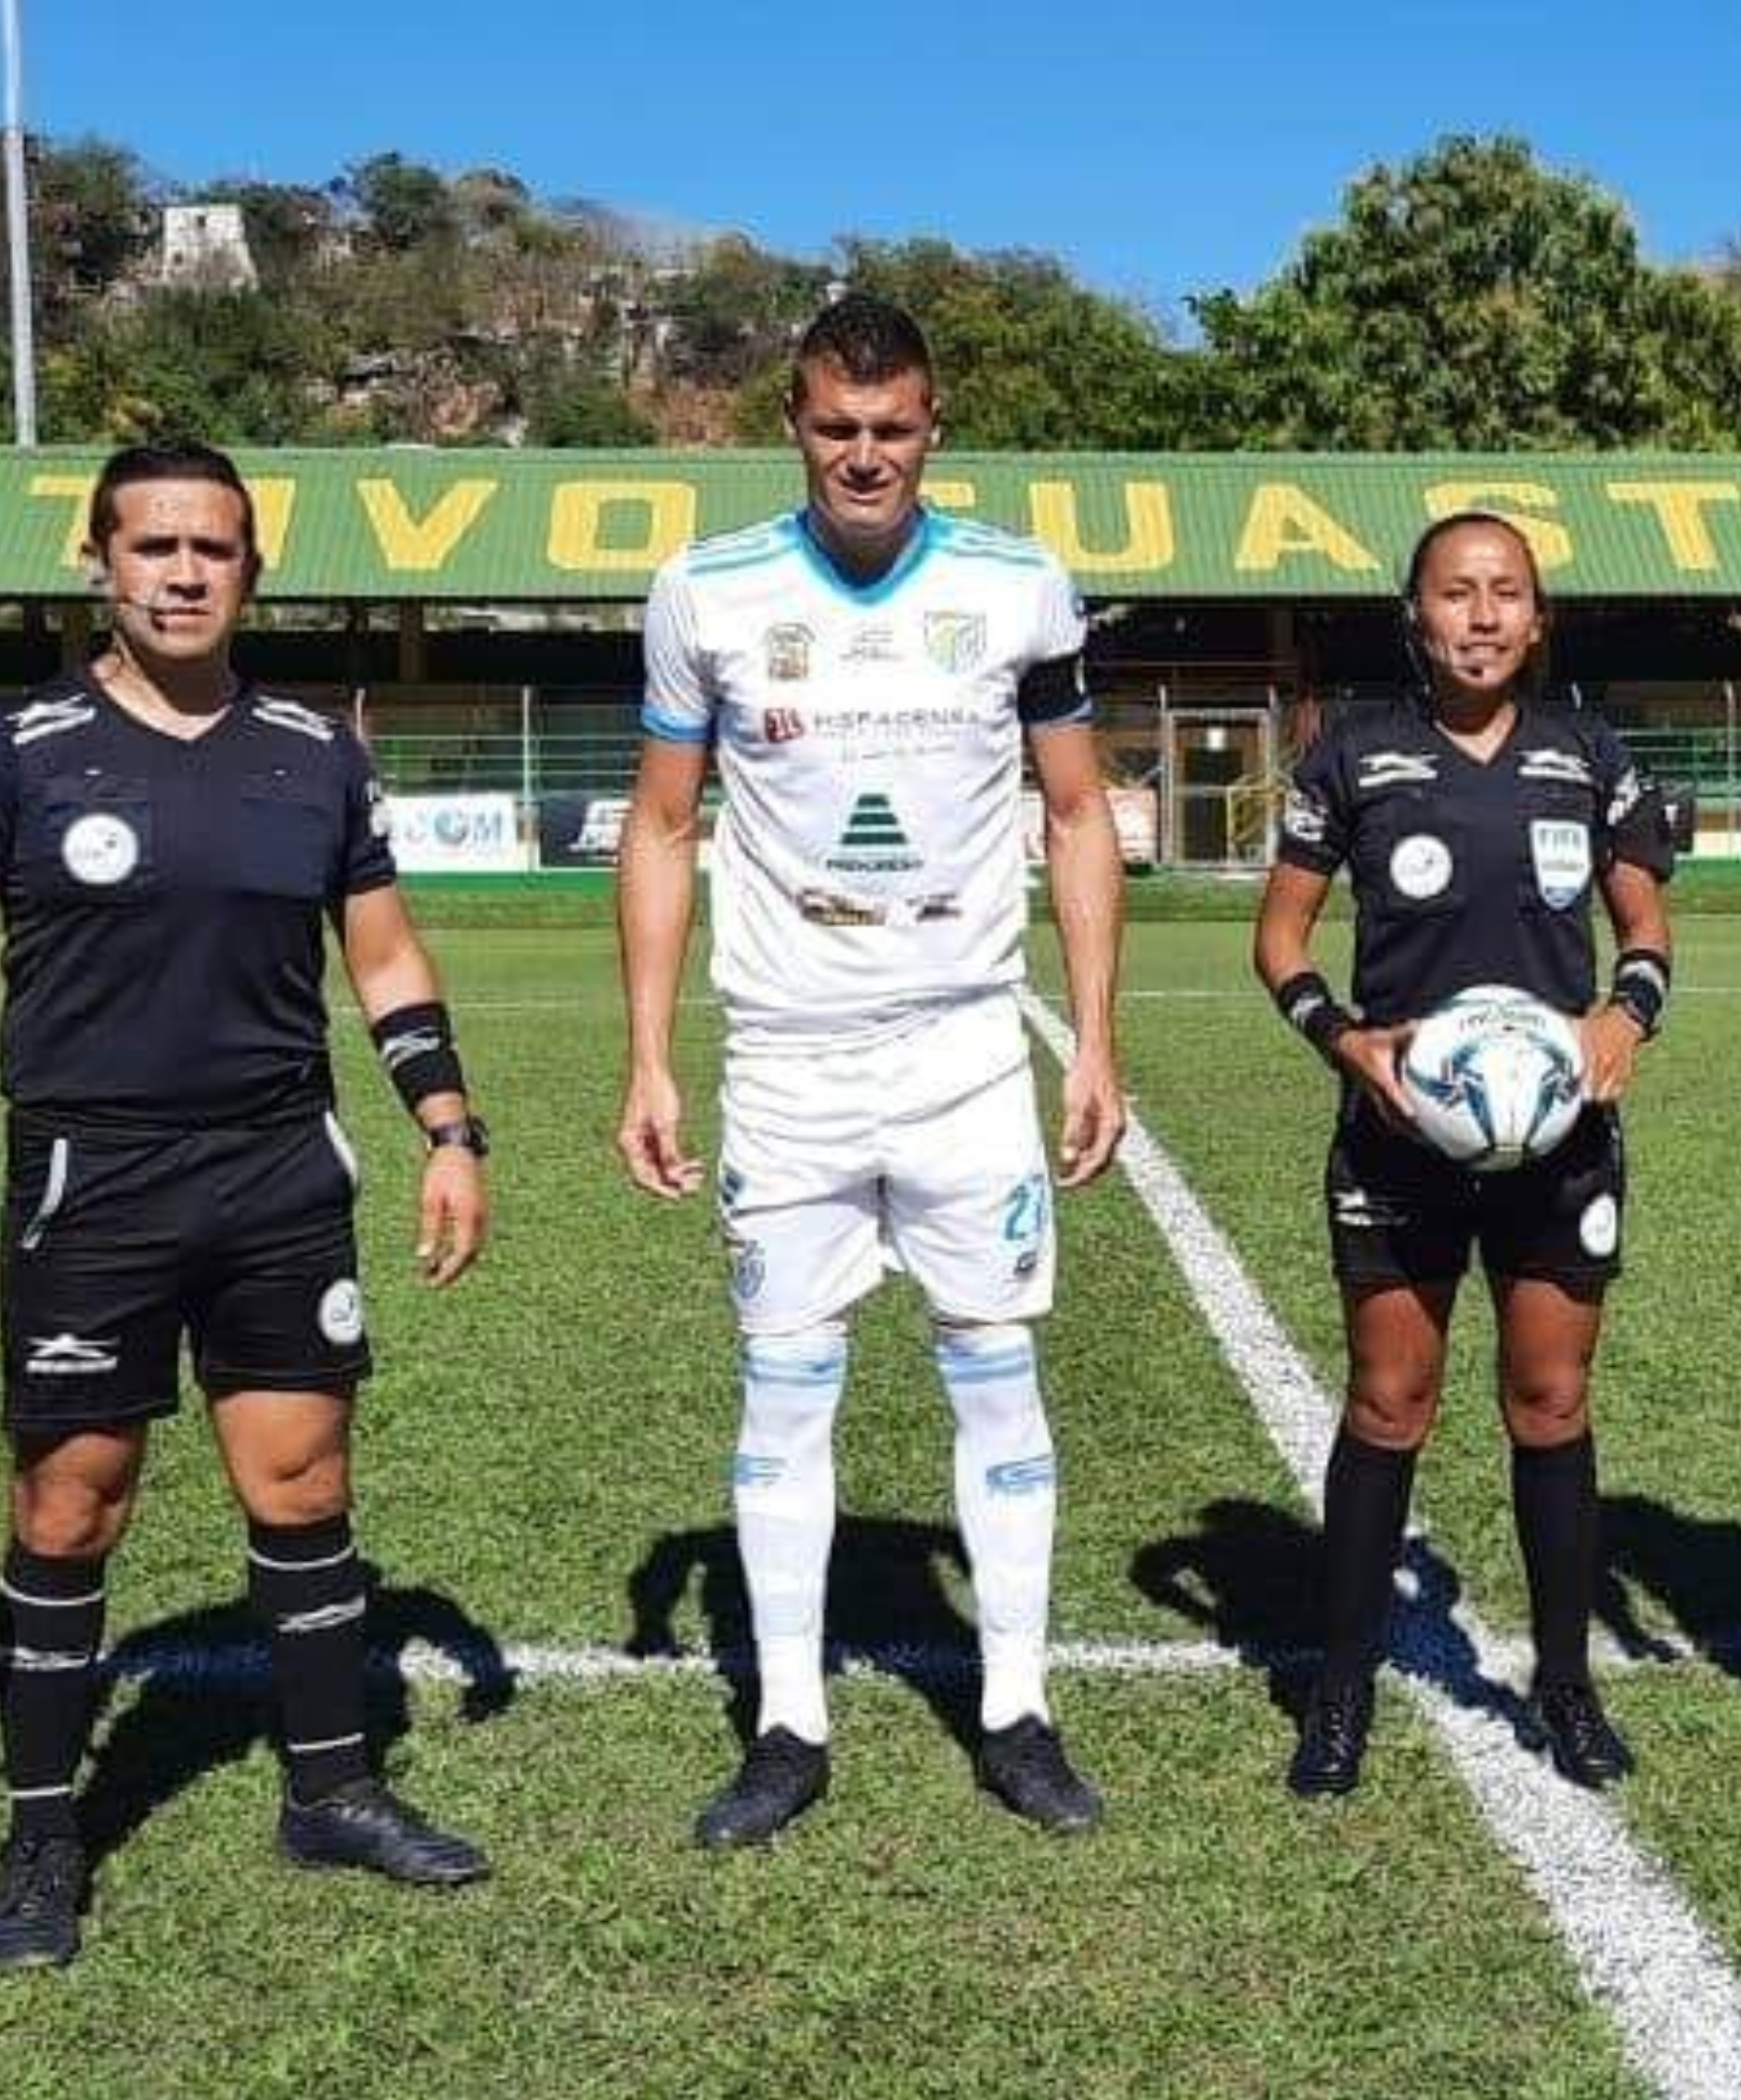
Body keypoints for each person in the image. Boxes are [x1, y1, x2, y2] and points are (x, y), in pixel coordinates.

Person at [0, 442, 494, 1972]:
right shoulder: (17, 749)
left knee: (303, 1488)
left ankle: (330, 1789)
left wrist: (448, 1127)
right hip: (96, 1181)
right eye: (154, 547)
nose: (184, 573)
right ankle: (43, 1831)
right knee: (71, 1500)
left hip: (278, 1173)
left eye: (213, 550)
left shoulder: (315, 750)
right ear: (101, 561)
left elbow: (384, 958)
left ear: (250, 571)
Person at [616, 293, 1126, 1846]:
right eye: (836, 428)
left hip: (968, 1052)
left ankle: (1019, 1709)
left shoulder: (1020, 588)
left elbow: (1080, 813)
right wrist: (648, 1056)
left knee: (996, 1372)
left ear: (932, 427)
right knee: (784, 1394)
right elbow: (660, 827)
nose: (863, 456)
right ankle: (787, 1726)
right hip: (786, 1061)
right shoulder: (703, 593)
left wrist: (1093, 1033)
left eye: (891, 429)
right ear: (794, 424)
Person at [1253, 510, 1674, 1797]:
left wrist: (1625, 1009)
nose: (1482, 616)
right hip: (1401, 1140)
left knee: (1550, 1399)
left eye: (1506, 594)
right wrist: (1345, 1041)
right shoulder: (1355, 758)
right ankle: (1340, 1695)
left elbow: (1644, 919)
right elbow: (1282, 940)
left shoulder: (1585, 752)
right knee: (1389, 1401)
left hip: (1557, 1143)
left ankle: (1565, 1686)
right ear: (1417, 616)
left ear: (1538, 619)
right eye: (1455, 593)